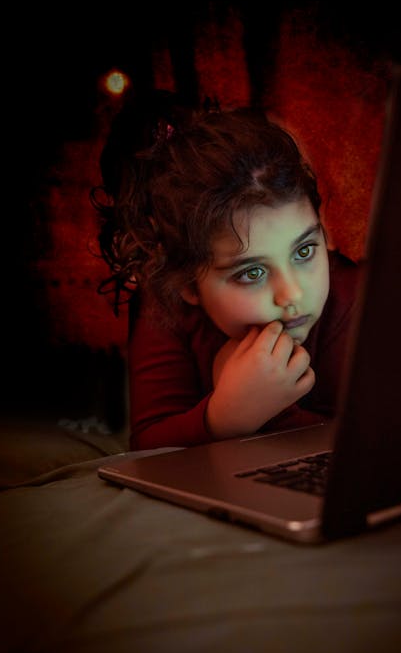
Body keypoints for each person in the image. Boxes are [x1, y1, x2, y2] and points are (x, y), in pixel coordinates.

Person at [92, 90, 361, 450]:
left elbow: (370, 451)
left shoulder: (356, 301)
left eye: (305, 250)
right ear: (188, 281)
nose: (294, 294)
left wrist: (268, 412)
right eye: (252, 273)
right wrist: (221, 418)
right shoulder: (166, 306)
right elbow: (148, 446)